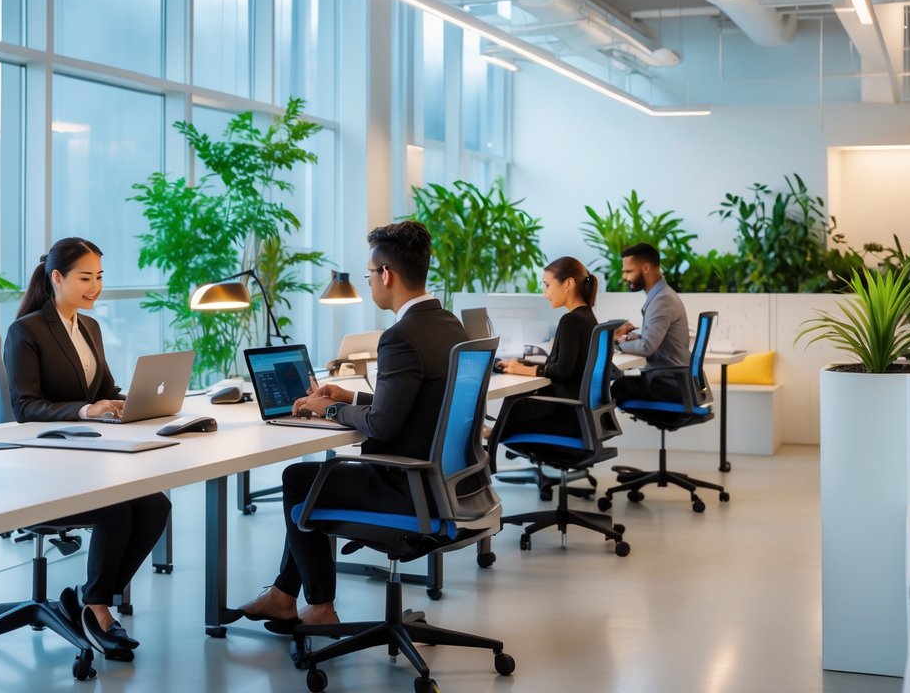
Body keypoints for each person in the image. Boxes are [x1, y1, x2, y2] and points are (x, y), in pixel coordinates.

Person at [232, 221, 469, 628]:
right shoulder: (450, 325)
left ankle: (320, 606)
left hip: (408, 488)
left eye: (369, 274)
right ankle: (283, 595)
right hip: (448, 483)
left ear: (386, 274)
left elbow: (382, 426)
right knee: (314, 482)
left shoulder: (400, 336)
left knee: (300, 480)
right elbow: (420, 405)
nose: (371, 283)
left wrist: (326, 410)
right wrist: (348, 397)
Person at [4, 237, 172, 661]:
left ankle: (86, 597)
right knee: (115, 509)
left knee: (154, 506)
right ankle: (97, 609)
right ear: (57, 278)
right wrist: (85, 410)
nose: (95, 287)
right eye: (85, 278)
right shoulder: (26, 331)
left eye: (99, 277)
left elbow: (104, 389)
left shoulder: (88, 326)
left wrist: (127, 402)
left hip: (87, 461)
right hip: (42, 470)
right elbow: (24, 407)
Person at [494, 256, 599, 438]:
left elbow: (562, 371)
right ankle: (495, 435)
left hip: (566, 419)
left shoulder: (571, 321)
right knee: (519, 403)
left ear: (568, 284)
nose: (545, 294)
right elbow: (565, 365)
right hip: (580, 417)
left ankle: (492, 439)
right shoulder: (588, 317)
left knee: (515, 403)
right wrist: (522, 365)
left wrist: (520, 369)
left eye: (547, 285)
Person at [610, 241, 691, 404]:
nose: (624, 277)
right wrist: (627, 337)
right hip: (673, 380)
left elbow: (647, 347)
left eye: (628, 271)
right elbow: (651, 340)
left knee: (615, 388)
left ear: (646, 268)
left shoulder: (662, 300)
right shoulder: (662, 295)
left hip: (668, 384)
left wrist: (617, 344)